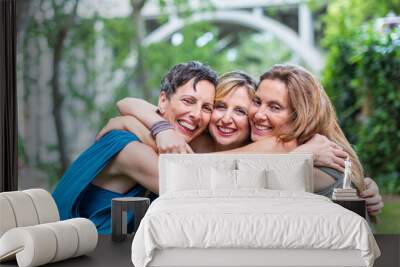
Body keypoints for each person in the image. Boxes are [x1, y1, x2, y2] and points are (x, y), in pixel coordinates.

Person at [100, 65, 383, 216]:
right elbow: (131, 104)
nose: (258, 113)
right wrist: (147, 124)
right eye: (258, 103)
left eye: (274, 107)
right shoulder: (204, 140)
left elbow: (195, 175)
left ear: (301, 116)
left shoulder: (304, 151)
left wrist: (300, 159)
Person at [52, 61, 218, 234]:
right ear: (163, 101)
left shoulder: (152, 133)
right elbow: (197, 193)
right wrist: (136, 123)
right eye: (188, 101)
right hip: (73, 253)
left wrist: (130, 121)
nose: (197, 114)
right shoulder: (130, 149)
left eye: (207, 108)